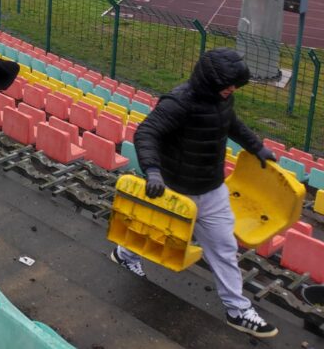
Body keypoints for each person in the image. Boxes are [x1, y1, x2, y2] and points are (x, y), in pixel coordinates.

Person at [110, 48, 279, 339]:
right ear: (210, 81)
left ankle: (237, 310)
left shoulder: (223, 98)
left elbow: (230, 123)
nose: (232, 90)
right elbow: (146, 132)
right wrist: (152, 170)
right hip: (176, 190)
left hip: (212, 189)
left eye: (235, 86)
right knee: (155, 233)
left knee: (224, 248)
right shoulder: (179, 102)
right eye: (228, 85)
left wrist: (256, 147)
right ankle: (125, 254)